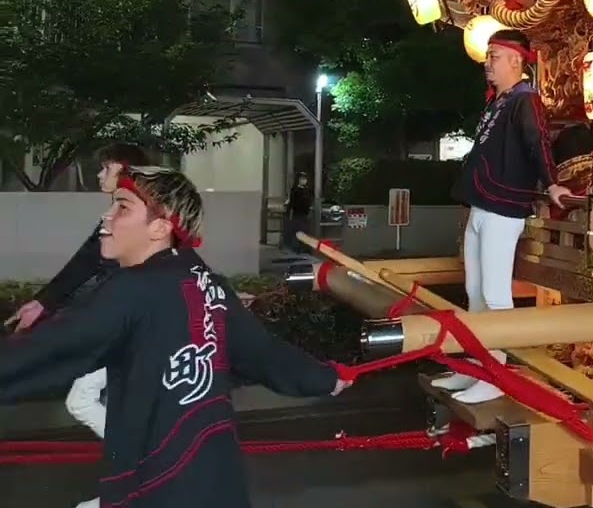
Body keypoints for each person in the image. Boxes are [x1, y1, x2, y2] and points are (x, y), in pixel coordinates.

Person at [0, 166, 349, 508]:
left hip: (157, 486)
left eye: (122, 207)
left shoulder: (133, 288)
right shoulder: (208, 283)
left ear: (161, 227)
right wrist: (326, 377)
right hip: (218, 482)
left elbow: (47, 351)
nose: (106, 217)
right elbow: (264, 354)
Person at [434, 28, 570, 404]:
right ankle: (477, 369)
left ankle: (497, 377)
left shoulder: (526, 100)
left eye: (494, 56)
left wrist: (552, 183)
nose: (487, 63)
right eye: (488, 56)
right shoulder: (500, 100)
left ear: (515, 60)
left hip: (503, 208)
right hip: (482, 204)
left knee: (495, 295)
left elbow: (538, 142)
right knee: (475, 292)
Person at [5, 143, 150, 462]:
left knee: (83, 399)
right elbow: (85, 262)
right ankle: (142, 462)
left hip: (131, 326)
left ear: (126, 171)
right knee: (101, 400)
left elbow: (172, 263)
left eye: (107, 167)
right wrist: (42, 303)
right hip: (122, 325)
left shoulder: (140, 215)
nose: (99, 174)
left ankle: (143, 460)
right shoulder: (121, 212)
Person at [283, 172, 314, 252]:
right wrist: (288, 211)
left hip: (304, 213)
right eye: (302, 179)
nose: (304, 180)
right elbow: (292, 202)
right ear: (299, 180)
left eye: (304, 179)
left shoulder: (307, 190)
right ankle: (296, 247)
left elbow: (309, 201)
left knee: (304, 230)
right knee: (297, 230)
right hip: (297, 213)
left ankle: (303, 247)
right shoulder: (295, 190)